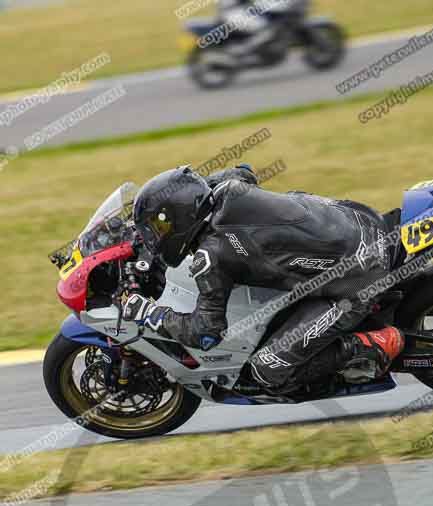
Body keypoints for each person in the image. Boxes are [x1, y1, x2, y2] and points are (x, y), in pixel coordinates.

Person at [122, 165, 404, 395]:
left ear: (181, 219)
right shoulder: (226, 187)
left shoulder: (212, 256)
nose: (154, 235)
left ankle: (370, 345)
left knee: (268, 369)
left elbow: (205, 333)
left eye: (158, 227)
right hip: (362, 221)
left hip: (357, 281)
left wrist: (150, 313)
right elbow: (243, 171)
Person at [217, 0, 309, 57]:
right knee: (267, 28)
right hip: (234, 14)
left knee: (265, 24)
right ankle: (245, 49)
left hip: (235, 12)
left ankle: (258, 49)